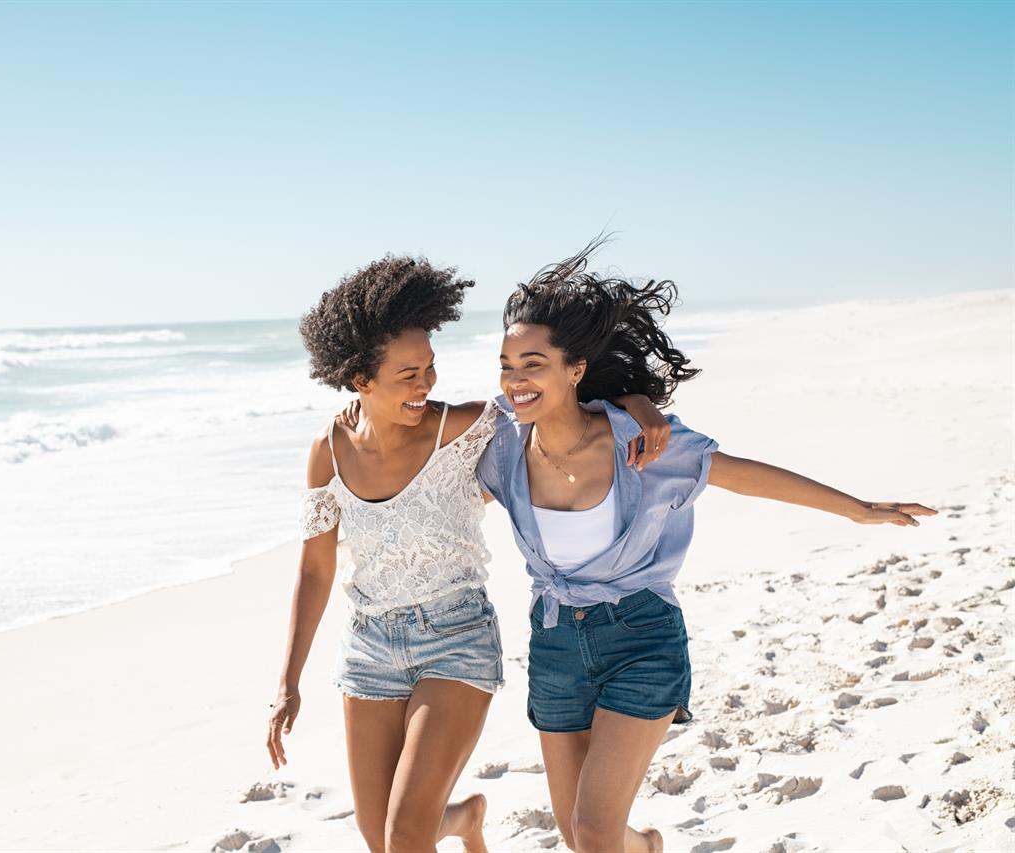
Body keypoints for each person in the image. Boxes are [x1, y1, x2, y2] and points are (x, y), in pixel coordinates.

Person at [477, 239, 937, 853]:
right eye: (506, 365)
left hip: (640, 638)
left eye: (532, 363)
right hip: (555, 643)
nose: (515, 381)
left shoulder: (644, 447)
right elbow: (424, 479)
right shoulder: (500, 449)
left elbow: (743, 474)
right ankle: (651, 846)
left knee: (590, 834)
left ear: (575, 369)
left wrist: (858, 509)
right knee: (581, 832)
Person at [267, 254, 668, 853]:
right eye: (407, 374)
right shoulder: (328, 451)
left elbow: (559, 398)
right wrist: (288, 680)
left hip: (456, 639)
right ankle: (463, 821)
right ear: (360, 380)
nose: (425, 385)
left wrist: (638, 404)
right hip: (369, 647)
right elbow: (315, 568)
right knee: (380, 836)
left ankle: (442, 824)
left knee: (404, 836)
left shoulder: (464, 429)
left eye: (429, 368)